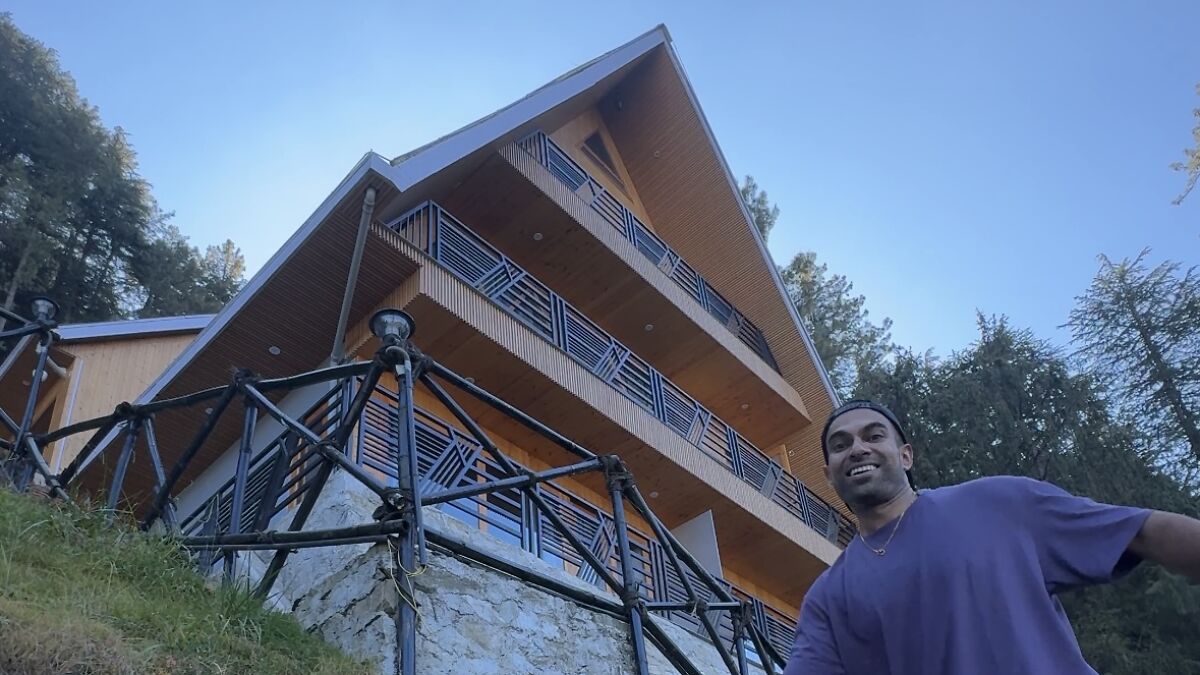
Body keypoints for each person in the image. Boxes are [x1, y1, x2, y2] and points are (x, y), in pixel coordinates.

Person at [782, 399, 1200, 675]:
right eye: (840, 445)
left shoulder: (999, 503)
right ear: (828, 474)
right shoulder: (827, 600)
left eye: (873, 436)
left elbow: (1142, 531)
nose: (856, 448)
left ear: (906, 455)